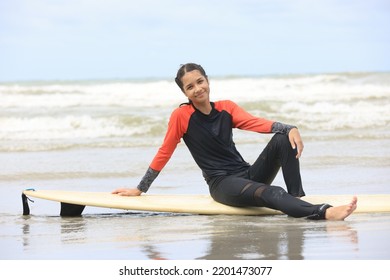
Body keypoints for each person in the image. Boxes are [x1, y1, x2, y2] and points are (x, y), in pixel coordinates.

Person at [113, 63, 357, 220]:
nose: (197, 89)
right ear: (184, 93)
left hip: (247, 174)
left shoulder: (226, 108)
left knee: (282, 139)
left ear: (207, 81)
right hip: (223, 184)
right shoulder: (181, 116)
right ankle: (322, 212)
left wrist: (289, 127)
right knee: (271, 191)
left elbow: (255, 123)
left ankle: (297, 199)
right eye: (190, 87)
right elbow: (165, 151)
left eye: (200, 82)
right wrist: (141, 188)